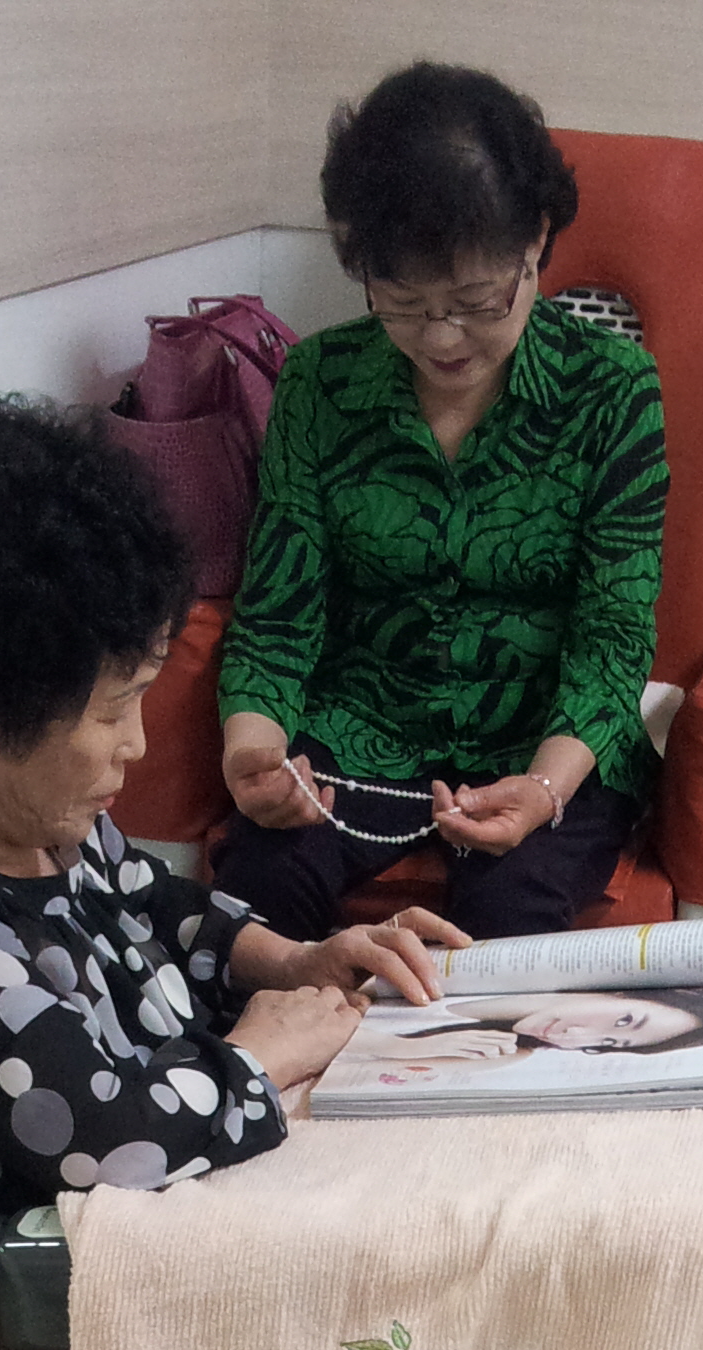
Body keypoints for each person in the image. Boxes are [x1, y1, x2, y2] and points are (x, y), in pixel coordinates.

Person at [0, 385, 464, 1213]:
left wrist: (296, 961)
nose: (135, 743)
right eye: (111, 710)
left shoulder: (13, 807)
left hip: (175, 1169)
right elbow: (106, 1138)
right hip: (22, 1266)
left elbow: (148, 904)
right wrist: (264, 1051)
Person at [214, 62, 668, 945]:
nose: (442, 339)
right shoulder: (318, 382)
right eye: (403, 305)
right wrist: (253, 755)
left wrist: (545, 788)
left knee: (509, 920)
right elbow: (277, 614)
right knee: (259, 897)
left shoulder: (612, 392)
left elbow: (613, 635)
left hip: (544, 738)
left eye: (476, 303)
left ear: (537, 240)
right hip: (361, 725)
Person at [343, 985, 703, 1066]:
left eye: (610, 1043)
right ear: (622, 992)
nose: (575, 1037)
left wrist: (403, 1048)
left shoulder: (500, 1053)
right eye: (624, 1020)